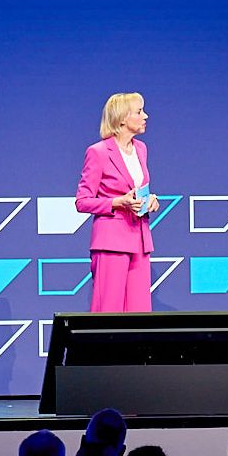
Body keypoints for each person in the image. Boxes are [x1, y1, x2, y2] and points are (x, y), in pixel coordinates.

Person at [75, 91, 159, 314]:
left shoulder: (141, 149)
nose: (146, 116)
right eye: (139, 112)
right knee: (108, 313)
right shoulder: (98, 152)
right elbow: (82, 201)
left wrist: (150, 199)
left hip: (140, 240)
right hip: (111, 242)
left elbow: (138, 187)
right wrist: (116, 202)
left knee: (139, 314)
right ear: (122, 118)